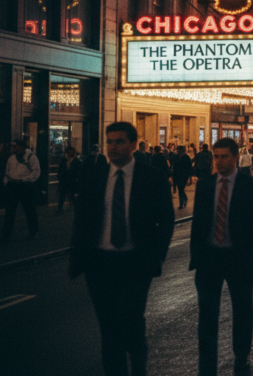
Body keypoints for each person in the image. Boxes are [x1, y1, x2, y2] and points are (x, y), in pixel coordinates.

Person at [69, 122, 174, 376]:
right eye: (110, 141)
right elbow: (82, 220)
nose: (113, 147)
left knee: (129, 319)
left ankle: (138, 362)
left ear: (133, 144)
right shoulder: (94, 177)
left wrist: (155, 256)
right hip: (100, 263)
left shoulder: (151, 177)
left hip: (135, 263)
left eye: (119, 141)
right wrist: (78, 259)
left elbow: (166, 219)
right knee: (108, 328)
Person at [190, 137, 253, 376]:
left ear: (236, 158)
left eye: (224, 156)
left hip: (239, 258)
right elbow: (198, 224)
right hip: (209, 259)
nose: (219, 161)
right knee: (207, 314)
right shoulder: (205, 186)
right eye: (216, 156)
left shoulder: (251, 186)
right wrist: (197, 256)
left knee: (242, 309)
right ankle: (207, 365)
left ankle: (241, 355)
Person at [0, 138, 41, 241]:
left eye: (15, 146)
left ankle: (33, 232)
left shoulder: (31, 157)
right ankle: (6, 234)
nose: (13, 148)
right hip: (13, 185)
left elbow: (36, 171)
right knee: (10, 211)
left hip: (25, 186)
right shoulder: (11, 158)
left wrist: (26, 180)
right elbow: (7, 171)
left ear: (21, 147)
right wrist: (6, 181)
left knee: (29, 210)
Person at [57, 145, 83, 213]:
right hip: (64, 181)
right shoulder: (64, 161)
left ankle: (75, 209)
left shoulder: (77, 162)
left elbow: (78, 172)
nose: (65, 154)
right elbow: (60, 170)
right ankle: (60, 208)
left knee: (73, 196)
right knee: (62, 195)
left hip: (72, 182)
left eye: (67, 153)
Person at [171, 145, 193, 210]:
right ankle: (184, 198)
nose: (177, 151)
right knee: (180, 189)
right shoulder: (176, 156)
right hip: (177, 175)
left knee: (181, 188)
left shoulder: (186, 157)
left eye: (178, 149)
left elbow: (189, 167)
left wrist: (189, 177)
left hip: (184, 175)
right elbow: (174, 165)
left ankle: (181, 204)